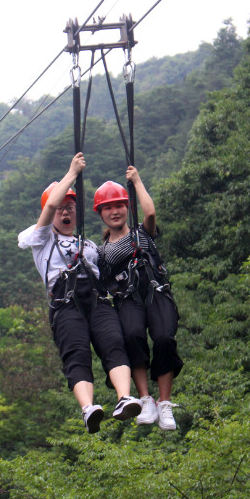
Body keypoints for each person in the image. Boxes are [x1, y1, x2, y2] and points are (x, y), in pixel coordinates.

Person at [18, 152, 142, 433]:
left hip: (96, 299)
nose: (64, 212)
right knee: (76, 354)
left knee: (114, 342)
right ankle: (88, 408)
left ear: (77, 212)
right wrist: (72, 173)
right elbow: (50, 204)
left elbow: (111, 266)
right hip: (66, 302)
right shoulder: (41, 239)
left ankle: (124, 398)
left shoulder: (87, 244)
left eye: (70, 208)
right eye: (61, 208)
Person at [94, 166, 183, 431]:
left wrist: (137, 181)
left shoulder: (141, 233)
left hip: (155, 291)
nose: (115, 211)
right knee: (132, 337)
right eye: (108, 208)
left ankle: (164, 403)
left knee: (165, 338)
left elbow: (151, 212)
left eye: (120, 205)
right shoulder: (101, 252)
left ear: (126, 207)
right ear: (101, 214)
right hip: (127, 298)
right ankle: (145, 399)